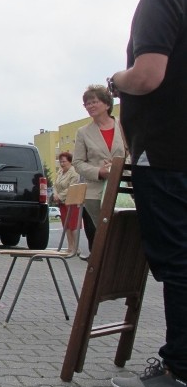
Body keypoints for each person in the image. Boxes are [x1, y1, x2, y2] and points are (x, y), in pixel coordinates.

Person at [108, 0, 187, 387]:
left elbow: (149, 75)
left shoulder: (161, 0)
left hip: (168, 154)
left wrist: (117, 79)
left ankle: (178, 370)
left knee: (177, 261)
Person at [72, 84, 126, 258]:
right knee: (105, 234)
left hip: (123, 188)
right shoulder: (83, 132)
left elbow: (133, 152)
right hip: (95, 193)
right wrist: (99, 171)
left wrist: (119, 166)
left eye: (94, 102)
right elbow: (78, 162)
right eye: (87, 104)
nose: (90, 106)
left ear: (107, 104)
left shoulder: (122, 125)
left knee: (124, 232)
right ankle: (106, 266)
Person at [51, 151, 80, 254]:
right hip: (62, 202)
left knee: (73, 225)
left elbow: (71, 188)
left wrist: (59, 195)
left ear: (70, 162)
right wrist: (55, 194)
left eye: (64, 161)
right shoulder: (60, 171)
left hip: (72, 201)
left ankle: (76, 248)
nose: (62, 164)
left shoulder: (74, 173)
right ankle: (70, 247)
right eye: (60, 162)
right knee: (66, 225)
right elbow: (55, 184)